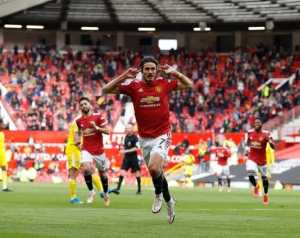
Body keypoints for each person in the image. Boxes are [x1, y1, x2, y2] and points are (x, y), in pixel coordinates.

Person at [103, 56, 193, 224]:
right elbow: (106, 89)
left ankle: (158, 194)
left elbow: (189, 84)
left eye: (153, 69)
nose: (150, 72)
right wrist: (124, 75)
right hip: (144, 138)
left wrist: (175, 73)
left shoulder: (164, 84)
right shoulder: (134, 86)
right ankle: (169, 201)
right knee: (156, 172)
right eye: (147, 69)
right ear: (142, 71)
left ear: (157, 70)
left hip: (162, 135)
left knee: (153, 167)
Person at [75, 96, 111, 207]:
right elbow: (79, 132)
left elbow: (107, 131)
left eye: (85, 104)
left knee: (103, 175)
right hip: (86, 149)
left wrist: (97, 128)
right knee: (86, 169)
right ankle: (91, 191)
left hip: (99, 151)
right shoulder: (79, 121)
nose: (83, 106)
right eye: (81, 105)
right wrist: (77, 140)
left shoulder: (98, 117)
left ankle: (105, 194)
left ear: (90, 105)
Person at [65, 118, 103, 204]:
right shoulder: (77, 122)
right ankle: (73, 197)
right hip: (74, 150)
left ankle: (100, 191)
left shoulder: (84, 123)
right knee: (73, 174)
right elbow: (77, 141)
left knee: (90, 169)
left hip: (79, 150)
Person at [245, 117, 275, 205]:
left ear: (261, 125)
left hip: (262, 160)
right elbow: (248, 142)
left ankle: (265, 195)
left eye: (258, 123)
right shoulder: (250, 132)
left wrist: (271, 143)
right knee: (250, 174)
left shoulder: (266, 134)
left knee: (264, 179)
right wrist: (247, 149)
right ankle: (256, 186)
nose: (256, 125)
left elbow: (273, 146)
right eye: (255, 123)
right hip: (252, 158)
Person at [110, 124, 141, 195]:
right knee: (122, 172)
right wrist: (122, 150)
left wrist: (125, 151)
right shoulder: (126, 137)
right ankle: (118, 188)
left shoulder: (135, 137)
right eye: (126, 128)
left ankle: (139, 189)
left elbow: (136, 148)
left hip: (133, 158)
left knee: (137, 173)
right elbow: (126, 147)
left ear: (131, 129)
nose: (126, 129)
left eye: (128, 128)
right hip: (126, 158)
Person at [0, 118, 12, 192]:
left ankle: (4, 187)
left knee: (4, 168)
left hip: (2, 153)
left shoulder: (2, 133)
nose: (3, 125)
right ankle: (4, 187)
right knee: (4, 168)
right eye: (2, 123)